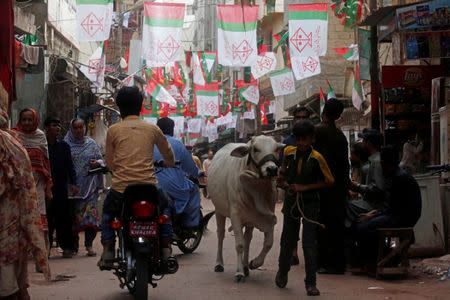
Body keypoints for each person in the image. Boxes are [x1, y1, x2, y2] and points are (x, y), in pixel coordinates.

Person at [99, 86, 175, 269]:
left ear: (119, 107)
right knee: (165, 210)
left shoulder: (113, 130)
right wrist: (169, 163)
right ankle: (165, 247)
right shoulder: (152, 129)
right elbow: (168, 154)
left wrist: (116, 169)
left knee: (108, 214)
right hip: (149, 187)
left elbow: (110, 162)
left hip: (121, 189)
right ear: (141, 106)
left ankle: (109, 249)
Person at [275, 120, 334, 296]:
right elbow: (283, 172)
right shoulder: (288, 152)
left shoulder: (317, 158)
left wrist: (305, 188)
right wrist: (283, 182)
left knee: (309, 244)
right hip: (291, 201)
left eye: (305, 139)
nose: (301, 143)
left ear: (312, 139)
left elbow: (329, 181)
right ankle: (282, 271)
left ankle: (311, 283)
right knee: (287, 240)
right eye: (298, 139)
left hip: (310, 204)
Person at [0, 117, 51, 299]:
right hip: (20, 209)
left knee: (6, 255)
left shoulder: (6, 144)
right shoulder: (15, 142)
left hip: (8, 211)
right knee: (14, 254)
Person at [354, 146, 422, 270]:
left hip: (402, 218)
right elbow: (393, 206)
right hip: (402, 215)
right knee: (365, 223)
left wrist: (373, 215)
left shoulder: (399, 178)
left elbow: (394, 209)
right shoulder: (397, 175)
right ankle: (383, 258)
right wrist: (376, 213)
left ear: (384, 163)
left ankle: (378, 260)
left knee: (362, 228)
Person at [314, 98, 349, 274]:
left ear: (324, 111)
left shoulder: (317, 132)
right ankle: (337, 263)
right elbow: (345, 165)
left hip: (321, 186)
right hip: (339, 187)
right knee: (336, 224)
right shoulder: (340, 136)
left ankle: (323, 262)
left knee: (321, 225)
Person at [13, 108, 53, 253]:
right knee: (21, 219)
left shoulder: (40, 136)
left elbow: (46, 163)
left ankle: (42, 252)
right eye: (24, 119)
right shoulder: (14, 136)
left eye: (30, 119)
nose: (27, 122)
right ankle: (25, 251)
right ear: (20, 120)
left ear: (35, 120)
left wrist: (48, 187)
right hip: (20, 184)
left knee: (40, 221)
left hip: (38, 184)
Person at [154, 117, 202, 230]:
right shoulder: (177, 144)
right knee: (193, 189)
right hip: (173, 185)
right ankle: (190, 224)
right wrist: (198, 173)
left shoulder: (149, 143)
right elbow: (189, 167)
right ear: (172, 129)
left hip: (150, 183)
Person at [64, 118, 103, 257]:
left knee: (90, 217)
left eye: (81, 127)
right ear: (71, 129)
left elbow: (101, 160)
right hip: (72, 188)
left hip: (89, 187)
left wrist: (97, 163)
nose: (79, 130)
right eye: (76, 128)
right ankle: (73, 247)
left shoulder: (91, 144)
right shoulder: (65, 145)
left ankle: (89, 245)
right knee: (73, 218)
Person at [44, 116, 78, 258]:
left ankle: (67, 247)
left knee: (63, 217)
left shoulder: (64, 146)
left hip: (60, 187)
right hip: (44, 187)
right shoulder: (42, 145)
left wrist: (74, 183)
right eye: (53, 125)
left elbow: (70, 166)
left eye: (58, 125)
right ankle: (46, 248)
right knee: (46, 218)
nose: (57, 128)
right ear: (46, 128)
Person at [282, 106, 311, 266]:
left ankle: (311, 258)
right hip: (292, 192)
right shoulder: (287, 144)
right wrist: (285, 184)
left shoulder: (315, 142)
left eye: (304, 117)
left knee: (310, 228)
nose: (301, 120)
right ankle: (292, 253)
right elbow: (282, 170)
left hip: (311, 193)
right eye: (298, 117)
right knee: (291, 227)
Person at [350, 129, 387, 212]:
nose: (362, 143)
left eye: (364, 140)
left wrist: (357, 186)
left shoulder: (376, 161)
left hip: (374, 206)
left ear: (369, 143)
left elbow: (378, 189)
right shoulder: (374, 160)